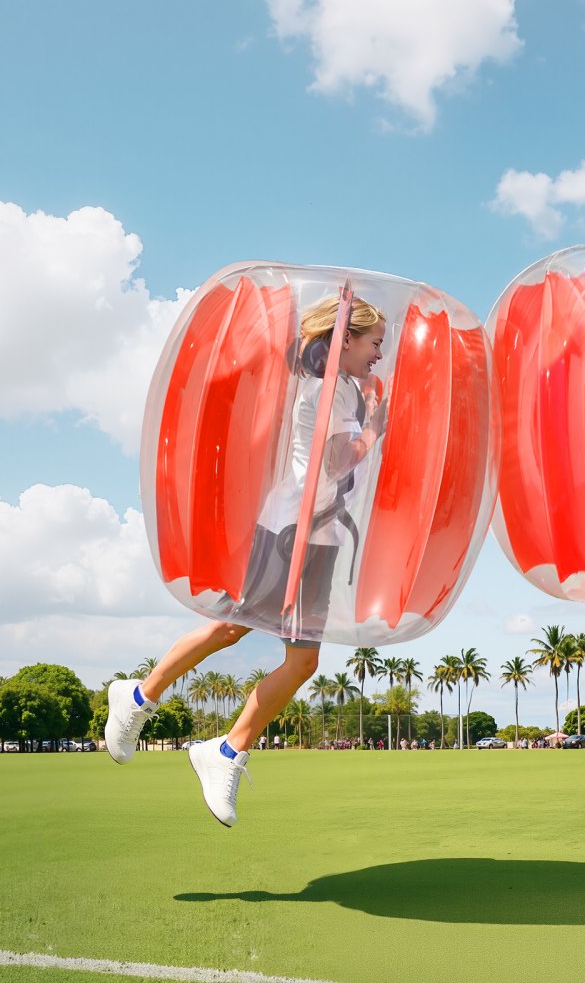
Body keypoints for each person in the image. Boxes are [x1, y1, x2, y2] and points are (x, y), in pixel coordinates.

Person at [104, 294, 387, 827]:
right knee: (232, 627)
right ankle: (139, 694)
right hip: (289, 531)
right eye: (374, 343)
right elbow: (336, 458)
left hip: (319, 536)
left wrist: (366, 409)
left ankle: (226, 751)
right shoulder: (325, 390)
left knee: (304, 661)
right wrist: (377, 424)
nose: (379, 354)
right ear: (344, 338)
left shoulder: (344, 387)